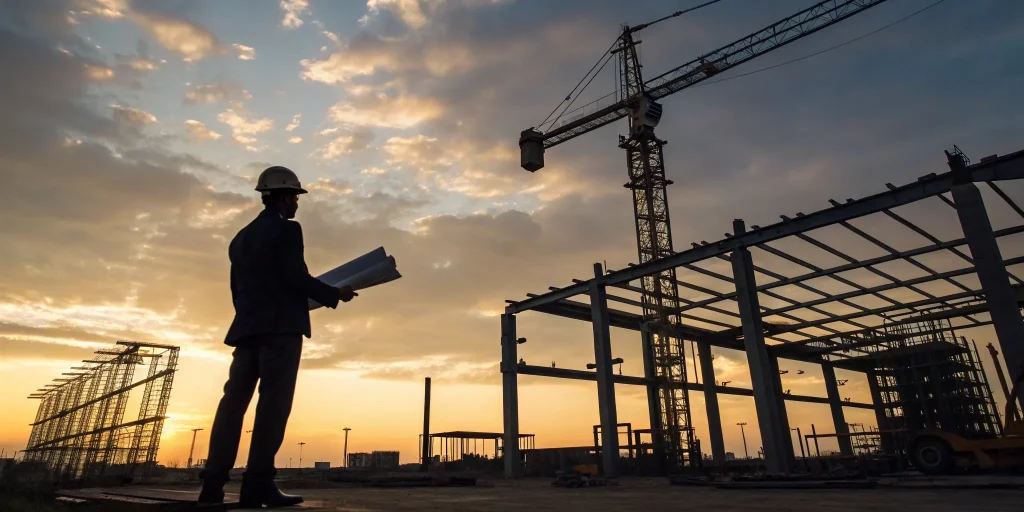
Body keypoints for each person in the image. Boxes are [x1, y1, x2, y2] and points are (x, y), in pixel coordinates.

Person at [198, 166, 356, 507]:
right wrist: (335, 293)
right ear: (284, 198)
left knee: (232, 405)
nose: (297, 207)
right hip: (281, 330)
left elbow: (236, 290)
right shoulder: (288, 230)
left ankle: (211, 486)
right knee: (273, 405)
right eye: (295, 199)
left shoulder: (240, 239)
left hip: (247, 328)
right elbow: (296, 277)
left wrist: (251, 316)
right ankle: (257, 483)